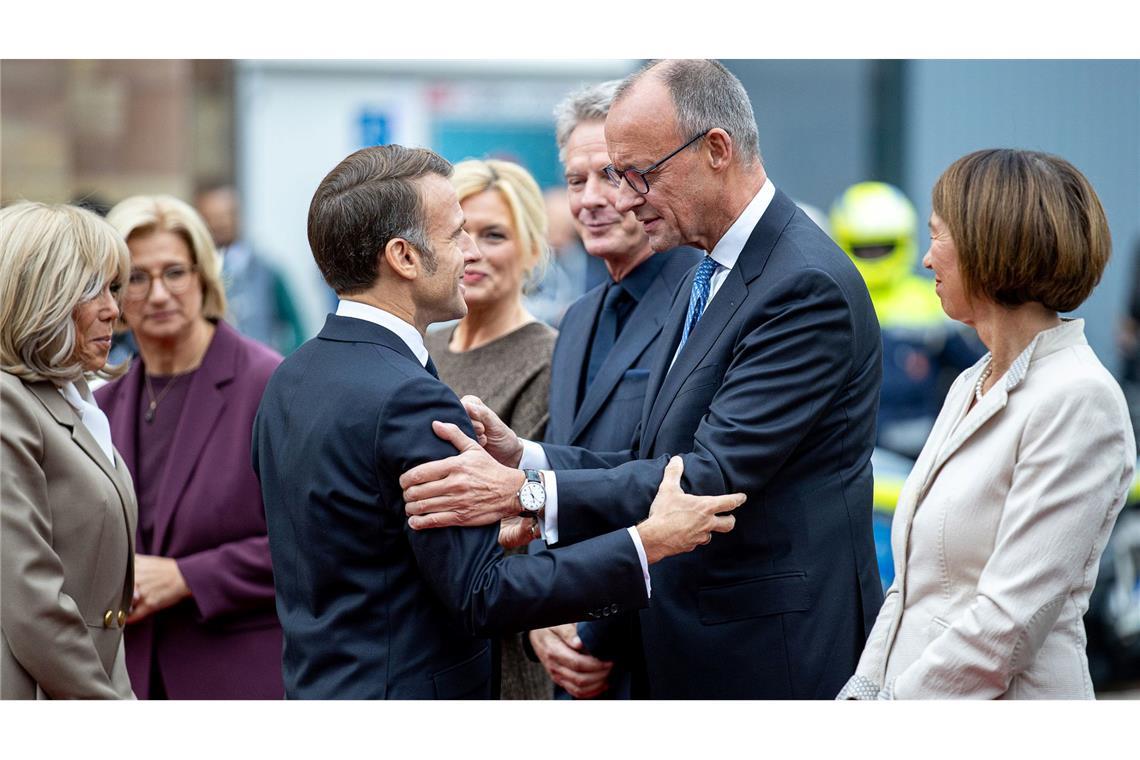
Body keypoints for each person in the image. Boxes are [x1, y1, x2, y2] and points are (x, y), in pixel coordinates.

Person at [401, 58, 884, 699]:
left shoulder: (801, 285)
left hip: (768, 659)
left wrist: (527, 494)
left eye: (638, 175)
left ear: (717, 149)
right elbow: (653, 454)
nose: (624, 199)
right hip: (699, 646)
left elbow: (705, 482)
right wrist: (528, 459)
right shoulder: (709, 270)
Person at [251, 143, 743, 699]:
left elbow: (360, 545)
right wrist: (646, 542)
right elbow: (483, 595)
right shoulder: (410, 398)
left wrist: (500, 529)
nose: (469, 253)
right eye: (457, 233)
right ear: (403, 258)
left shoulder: (287, 380)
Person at [837, 149, 1135, 700]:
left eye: (938, 236)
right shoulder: (972, 380)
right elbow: (908, 594)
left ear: (991, 244)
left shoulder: (1078, 398)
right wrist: (863, 688)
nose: (925, 260)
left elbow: (1007, 624)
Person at [527, 79, 702, 700]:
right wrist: (547, 618)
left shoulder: (702, 306)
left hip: (661, 653)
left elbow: (682, 487)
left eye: (611, 176)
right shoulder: (576, 320)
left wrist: (596, 636)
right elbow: (567, 494)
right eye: (576, 181)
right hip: (574, 644)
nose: (592, 200)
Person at [96, 195, 284, 699]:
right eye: (136, 277)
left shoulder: (268, 384)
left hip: (237, 680)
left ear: (204, 278)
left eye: (174, 272)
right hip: (128, 681)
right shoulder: (100, 404)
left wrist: (188, 575)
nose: (158, 294)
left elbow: (316, 540)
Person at [424, 158, 557, 699]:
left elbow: (527, 513)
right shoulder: (425, 347)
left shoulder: (549, 357)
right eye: (460, 233)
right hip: (421, 629)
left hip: (499, 637)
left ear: (530, 249)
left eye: (494, 235)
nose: (472, 252)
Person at [1, 202, 136, 699]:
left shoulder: (70, 398)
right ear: (38, 296)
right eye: (90, 289)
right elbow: (31, 600)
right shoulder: (7, 403)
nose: (113, 309)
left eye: (112, 288)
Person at [830, 181, 983, 458]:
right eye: (864, 248)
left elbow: (980, 370)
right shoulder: (828, 298)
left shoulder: (936, 298)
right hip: (847, 448)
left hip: (916, 449)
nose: (874, 256)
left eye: (883, 247)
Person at [195, 182, 306, 355]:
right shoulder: (195, 273)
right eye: (211, 217)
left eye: (225, 215)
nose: (219, 224)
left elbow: (297, 325)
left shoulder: (267, 270)